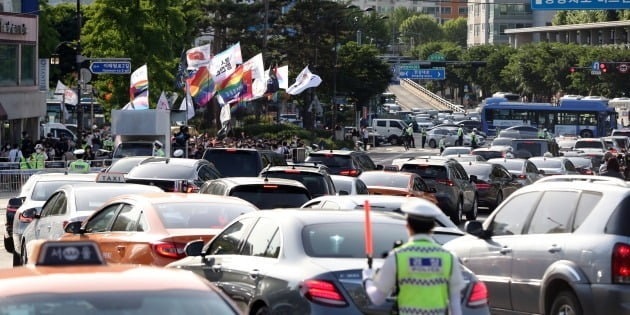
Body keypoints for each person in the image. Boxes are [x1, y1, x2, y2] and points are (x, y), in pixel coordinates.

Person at [362, 199, 465, 315]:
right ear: (432, 227)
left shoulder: (397, 256)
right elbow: (455, 307)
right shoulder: (449, 258)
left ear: (408, 226)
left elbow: (377, 299)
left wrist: (368, 278)